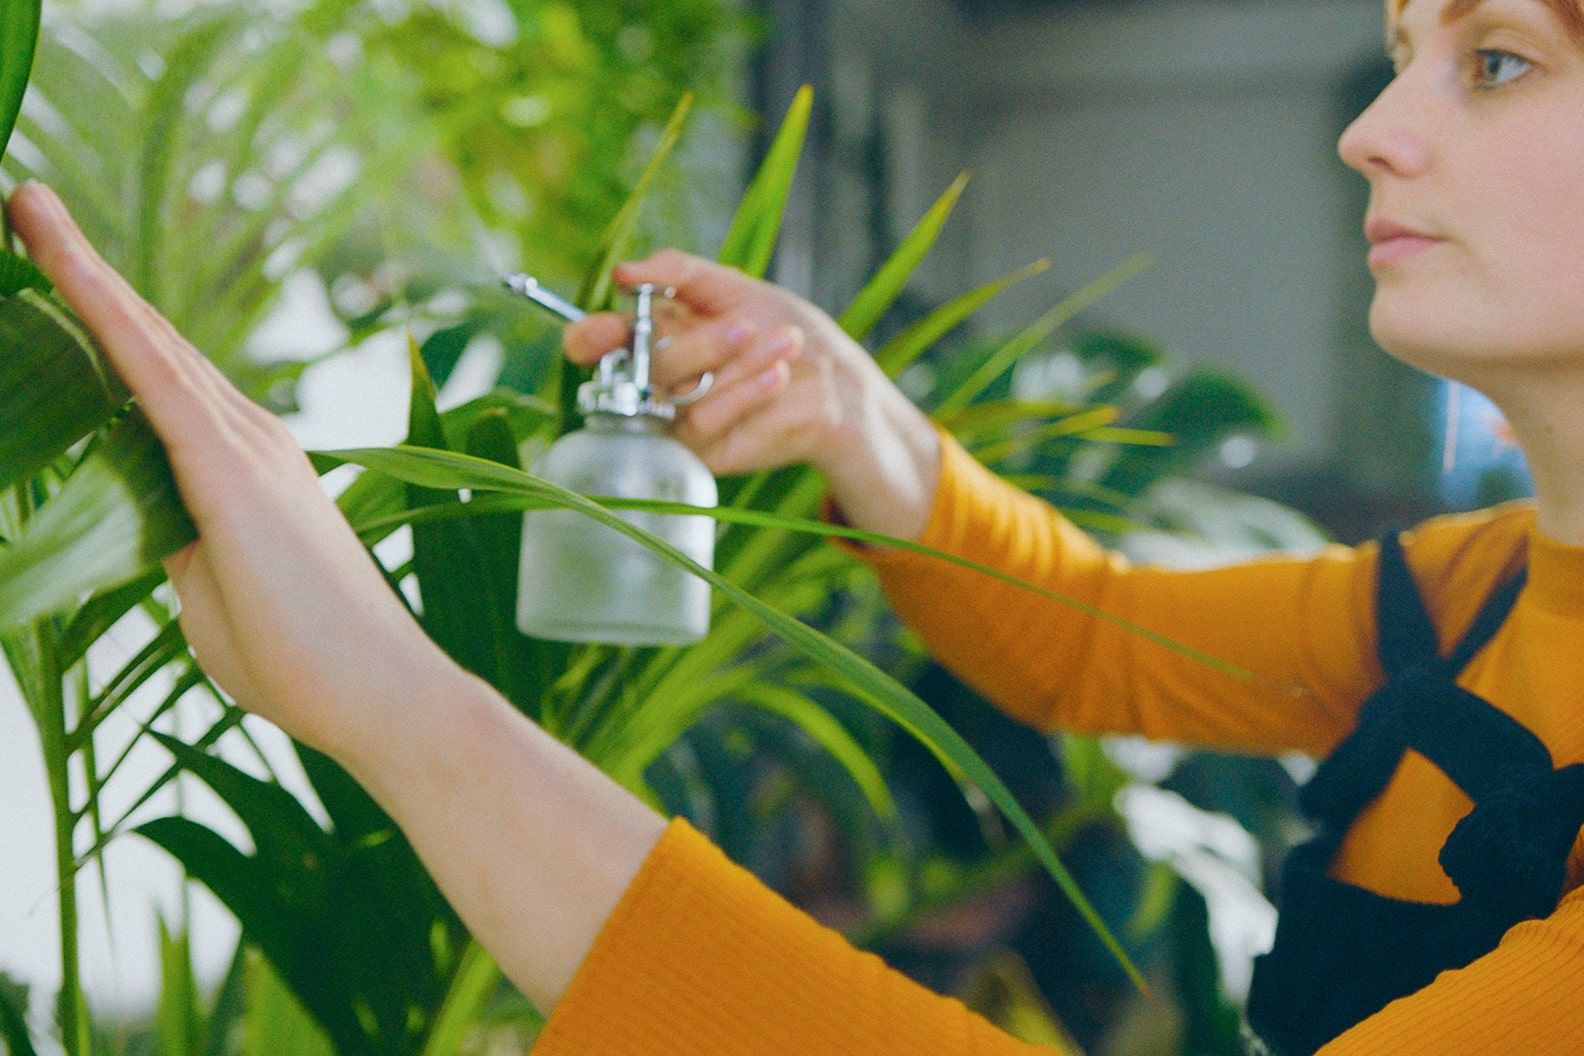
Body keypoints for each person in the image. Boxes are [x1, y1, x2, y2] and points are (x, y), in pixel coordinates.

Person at [6, 0, 1583, 1049]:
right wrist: (849, 412)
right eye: (1397, 49)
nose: (1372, 128)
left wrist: (393, 697)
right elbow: (1094, 639)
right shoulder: (1482, 590)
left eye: (1495, 58)